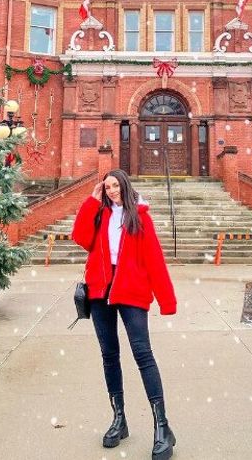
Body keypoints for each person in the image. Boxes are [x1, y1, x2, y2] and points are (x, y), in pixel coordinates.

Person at [72, 169, 178, 460]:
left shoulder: (139, 216)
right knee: (109, 356)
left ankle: (162, 427)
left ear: (125, 186)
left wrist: (166, 299)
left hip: (131, 291)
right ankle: (119, 419)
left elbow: (154, 259)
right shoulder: (100, 214)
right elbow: (80, 238)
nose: (112, 191)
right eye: (107, 187)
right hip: (100, 292)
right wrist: (91, 202)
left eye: (116, 186)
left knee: (143, 355)